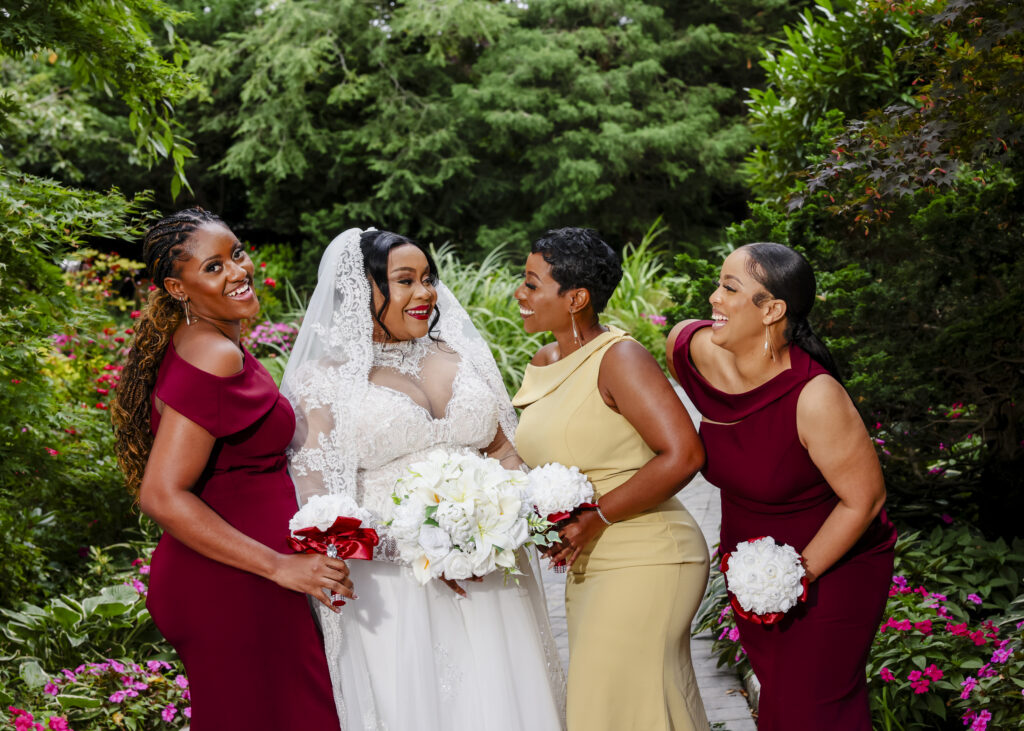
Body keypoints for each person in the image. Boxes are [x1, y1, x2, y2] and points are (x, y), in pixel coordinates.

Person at [281, 228, 565, 731]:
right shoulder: (321, 382)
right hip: (395, 591)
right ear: (360, 289)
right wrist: (427, 547)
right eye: (404, 281)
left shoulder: (464, 355)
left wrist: (507, 520)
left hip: (492, 570)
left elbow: (503, 450)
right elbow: (319, 505)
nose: (425, 293)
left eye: (428, 279)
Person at [110, 208, 346, 731]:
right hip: (234, 586)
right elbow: (161, 494)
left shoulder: (213, 342)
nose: (237, 270)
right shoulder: (213, 354)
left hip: (243, 582)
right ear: (177, 287)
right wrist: (278, 565)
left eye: (235, 254)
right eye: (213, 267)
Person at [666, 242, 897, 731]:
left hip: (832, 568)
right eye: (718, 284)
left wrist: (794, 577)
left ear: (771, 310)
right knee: (785, 699)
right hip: (749, 569)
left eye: (730, 288)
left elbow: (866, 500)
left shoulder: (815, 396)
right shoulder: (689, 350)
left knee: (807, 708)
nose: (713, 298)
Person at [511, 227, 710, 731]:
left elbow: (684, 454)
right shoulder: (543, 362)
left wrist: (597, 516)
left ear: (575, 297)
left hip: (649, 554)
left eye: (533, 284)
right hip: (589, 563)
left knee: (608, 710)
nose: (521, 293)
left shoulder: (619, 358)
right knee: (638, 709)